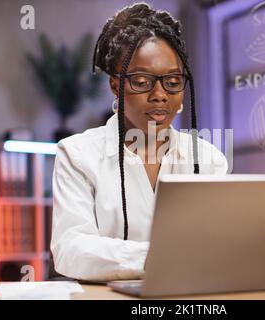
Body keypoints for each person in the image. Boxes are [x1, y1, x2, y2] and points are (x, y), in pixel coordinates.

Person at [50, 2, 228, 281]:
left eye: (172, 81)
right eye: (143, 81)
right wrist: (161, 258)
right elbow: (71, 249)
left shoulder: (209, 159)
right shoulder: (77, 154)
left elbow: (222, 244)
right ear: (115, 85)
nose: (160, 94)